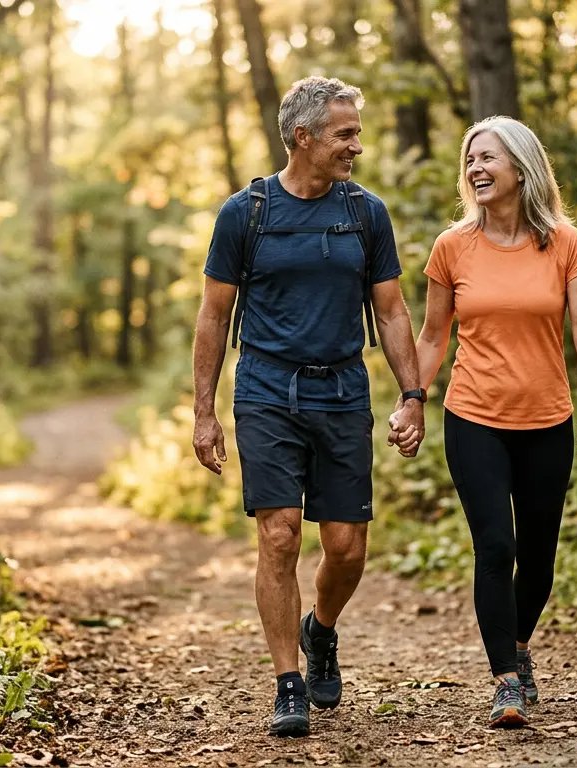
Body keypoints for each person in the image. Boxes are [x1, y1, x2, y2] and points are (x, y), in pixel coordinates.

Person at [191, 76, 424, 738]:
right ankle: (287, 680)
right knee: (279, 532)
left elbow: (391, 310)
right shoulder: (248, 212)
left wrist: (412, 395)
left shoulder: (365, 213)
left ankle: (320, 629)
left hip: (343, 388)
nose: (358, 145)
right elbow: (213, 314)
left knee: (346, 547)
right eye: (346, 134)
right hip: (266, 387)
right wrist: (203, 411)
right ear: (304, 138)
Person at [395, 116, 577, 728]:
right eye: (470, 161)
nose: (476, 169)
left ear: (521, 166)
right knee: (496, 545)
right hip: (474, 416)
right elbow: (434, 335)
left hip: (547, 419)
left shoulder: (564, 241)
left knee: (539, 554)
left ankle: (518, 644)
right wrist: (414, 398)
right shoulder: (451, 246)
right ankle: (506, 681)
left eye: (487, 158)